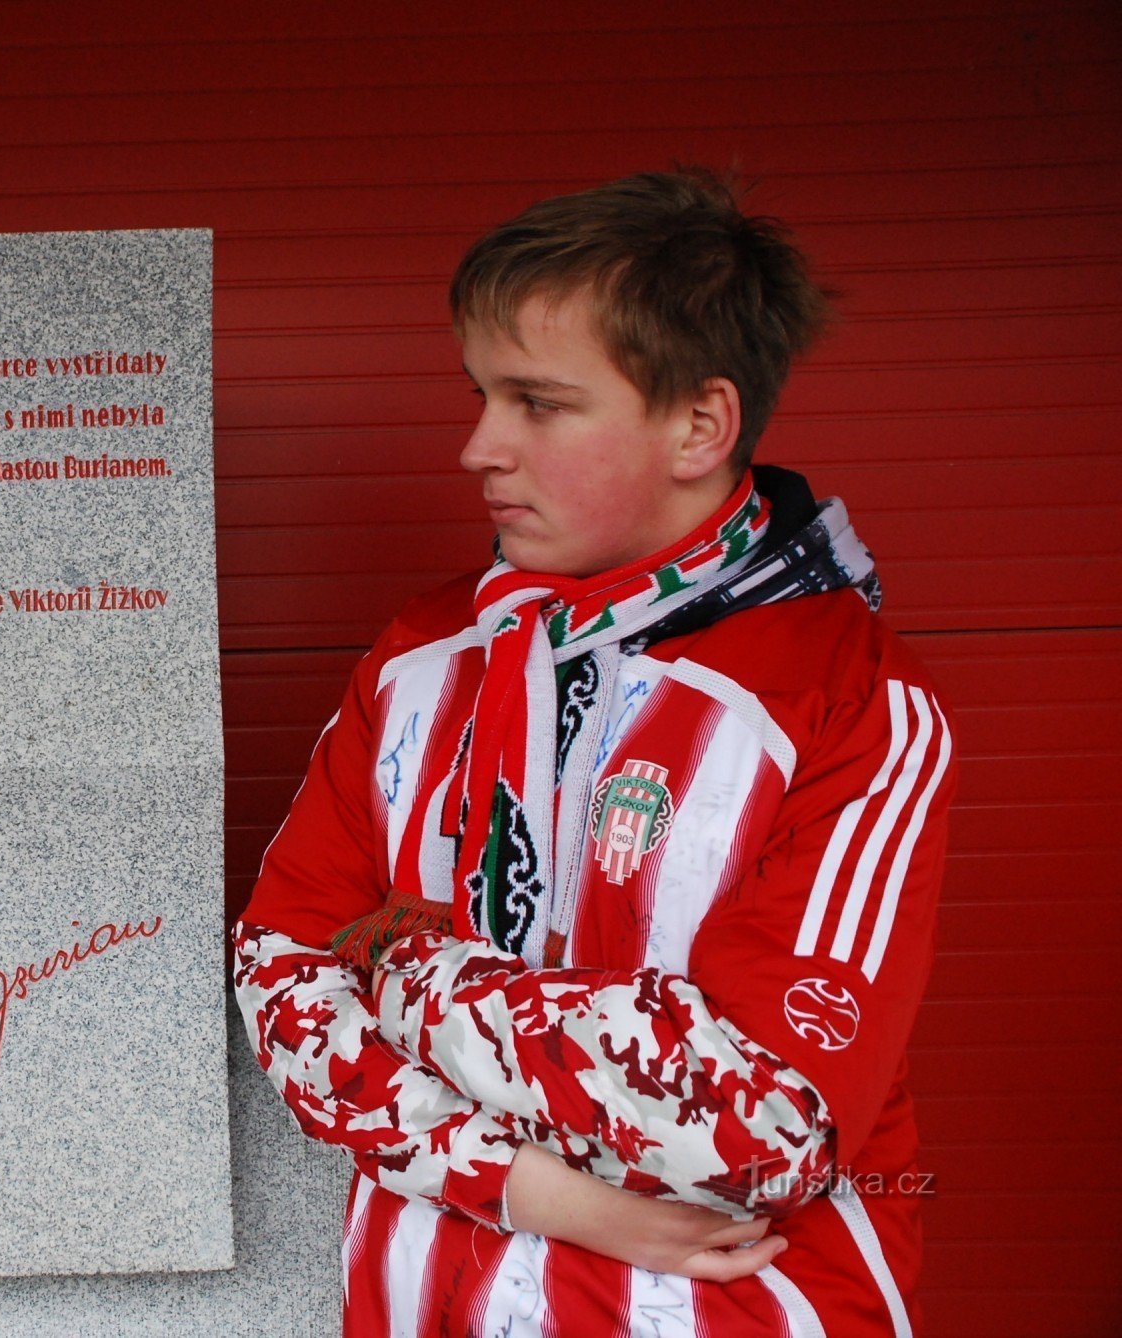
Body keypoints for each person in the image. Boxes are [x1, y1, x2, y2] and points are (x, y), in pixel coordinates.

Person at [230, 168, 954, 1335]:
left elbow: (754, 1123)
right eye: (478, 394)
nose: (477, 446)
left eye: (536, 403)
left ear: (697, 426)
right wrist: (542, 1194)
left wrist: (409, 974)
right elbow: (280, 982)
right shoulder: (418, 657)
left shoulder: (848, 696)